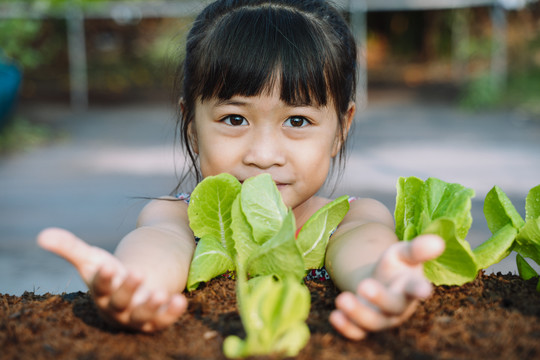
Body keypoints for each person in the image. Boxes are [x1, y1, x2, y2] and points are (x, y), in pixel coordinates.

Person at [38, 0, 445, 340]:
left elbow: (366, 247)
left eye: (297, 121)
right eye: (234, 119)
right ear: (192, 128)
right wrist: (134, 284)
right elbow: (159, 245)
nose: (264, 155)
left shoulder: (350, 219)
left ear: (342, 129)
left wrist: (380, 281)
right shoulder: (175, 215)